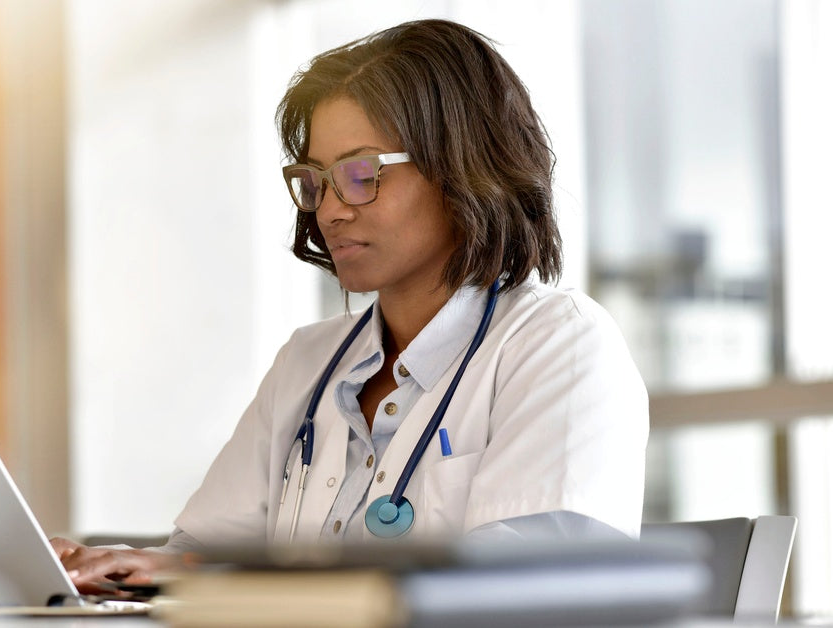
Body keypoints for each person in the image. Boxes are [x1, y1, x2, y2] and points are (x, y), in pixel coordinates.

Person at [51, 18, 647, 592]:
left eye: (363, 174)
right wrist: (127, 568)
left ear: (463, 167)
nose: (329, 210)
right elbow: (201, 553)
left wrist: (241, 583)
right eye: (315, 180)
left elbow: (524, 591)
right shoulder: (306, 363)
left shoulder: (558, 347)